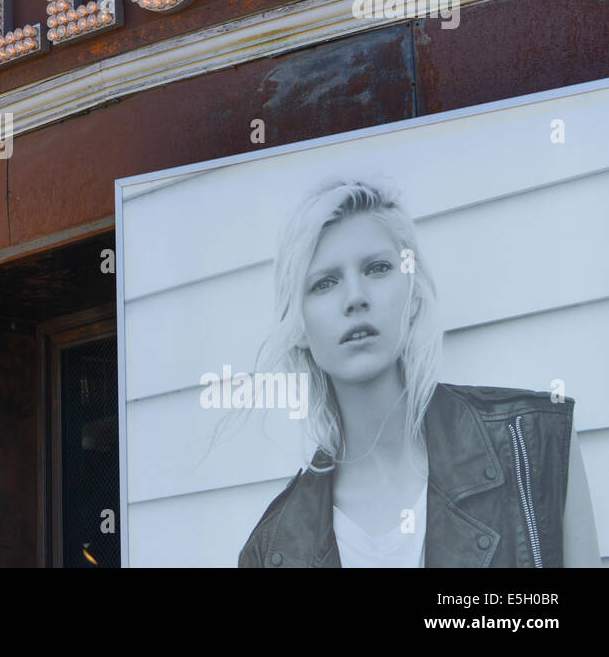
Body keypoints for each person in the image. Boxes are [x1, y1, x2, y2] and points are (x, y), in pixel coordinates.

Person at [238, 178, 600, 567]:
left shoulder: (531, 440)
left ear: (412, 296)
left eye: (377, 268)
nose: (355, 297)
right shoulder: (271, 550)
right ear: (298, 326)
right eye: (324, 283)